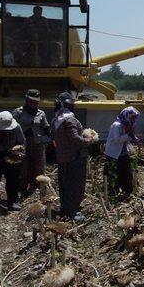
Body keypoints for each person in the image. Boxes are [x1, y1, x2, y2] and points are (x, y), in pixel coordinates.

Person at [52, 92, 93, 221]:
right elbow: (75, 138)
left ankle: (65, 208)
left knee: (64, 184)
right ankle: (72, 211)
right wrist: (88, 140)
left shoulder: (56, 119)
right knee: (75, 185)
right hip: (74, 157)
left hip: (62, 157)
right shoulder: (69, 120)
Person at [12, 89, 51, 196]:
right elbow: (12, 127)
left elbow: (46, 127)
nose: (35, 103)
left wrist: (49, 138)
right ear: (27, 100)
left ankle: (36, 187)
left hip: (37, 143)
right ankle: (22, 188)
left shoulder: (41, 113)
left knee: (39, 165)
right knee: (23, 166)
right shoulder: (18, 112)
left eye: (37, 101)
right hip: (22, 144)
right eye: (32, 101)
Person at [104, 107, 140, 198]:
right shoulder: (117, 125)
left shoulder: (126, 125)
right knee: (113, 174)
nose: (133, 120)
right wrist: (128, 136)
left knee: (126, 173)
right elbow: (116, 139)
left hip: (123, 153)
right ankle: (112, 193)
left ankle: (126, 191)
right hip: (114, 154)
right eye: (132, 117)